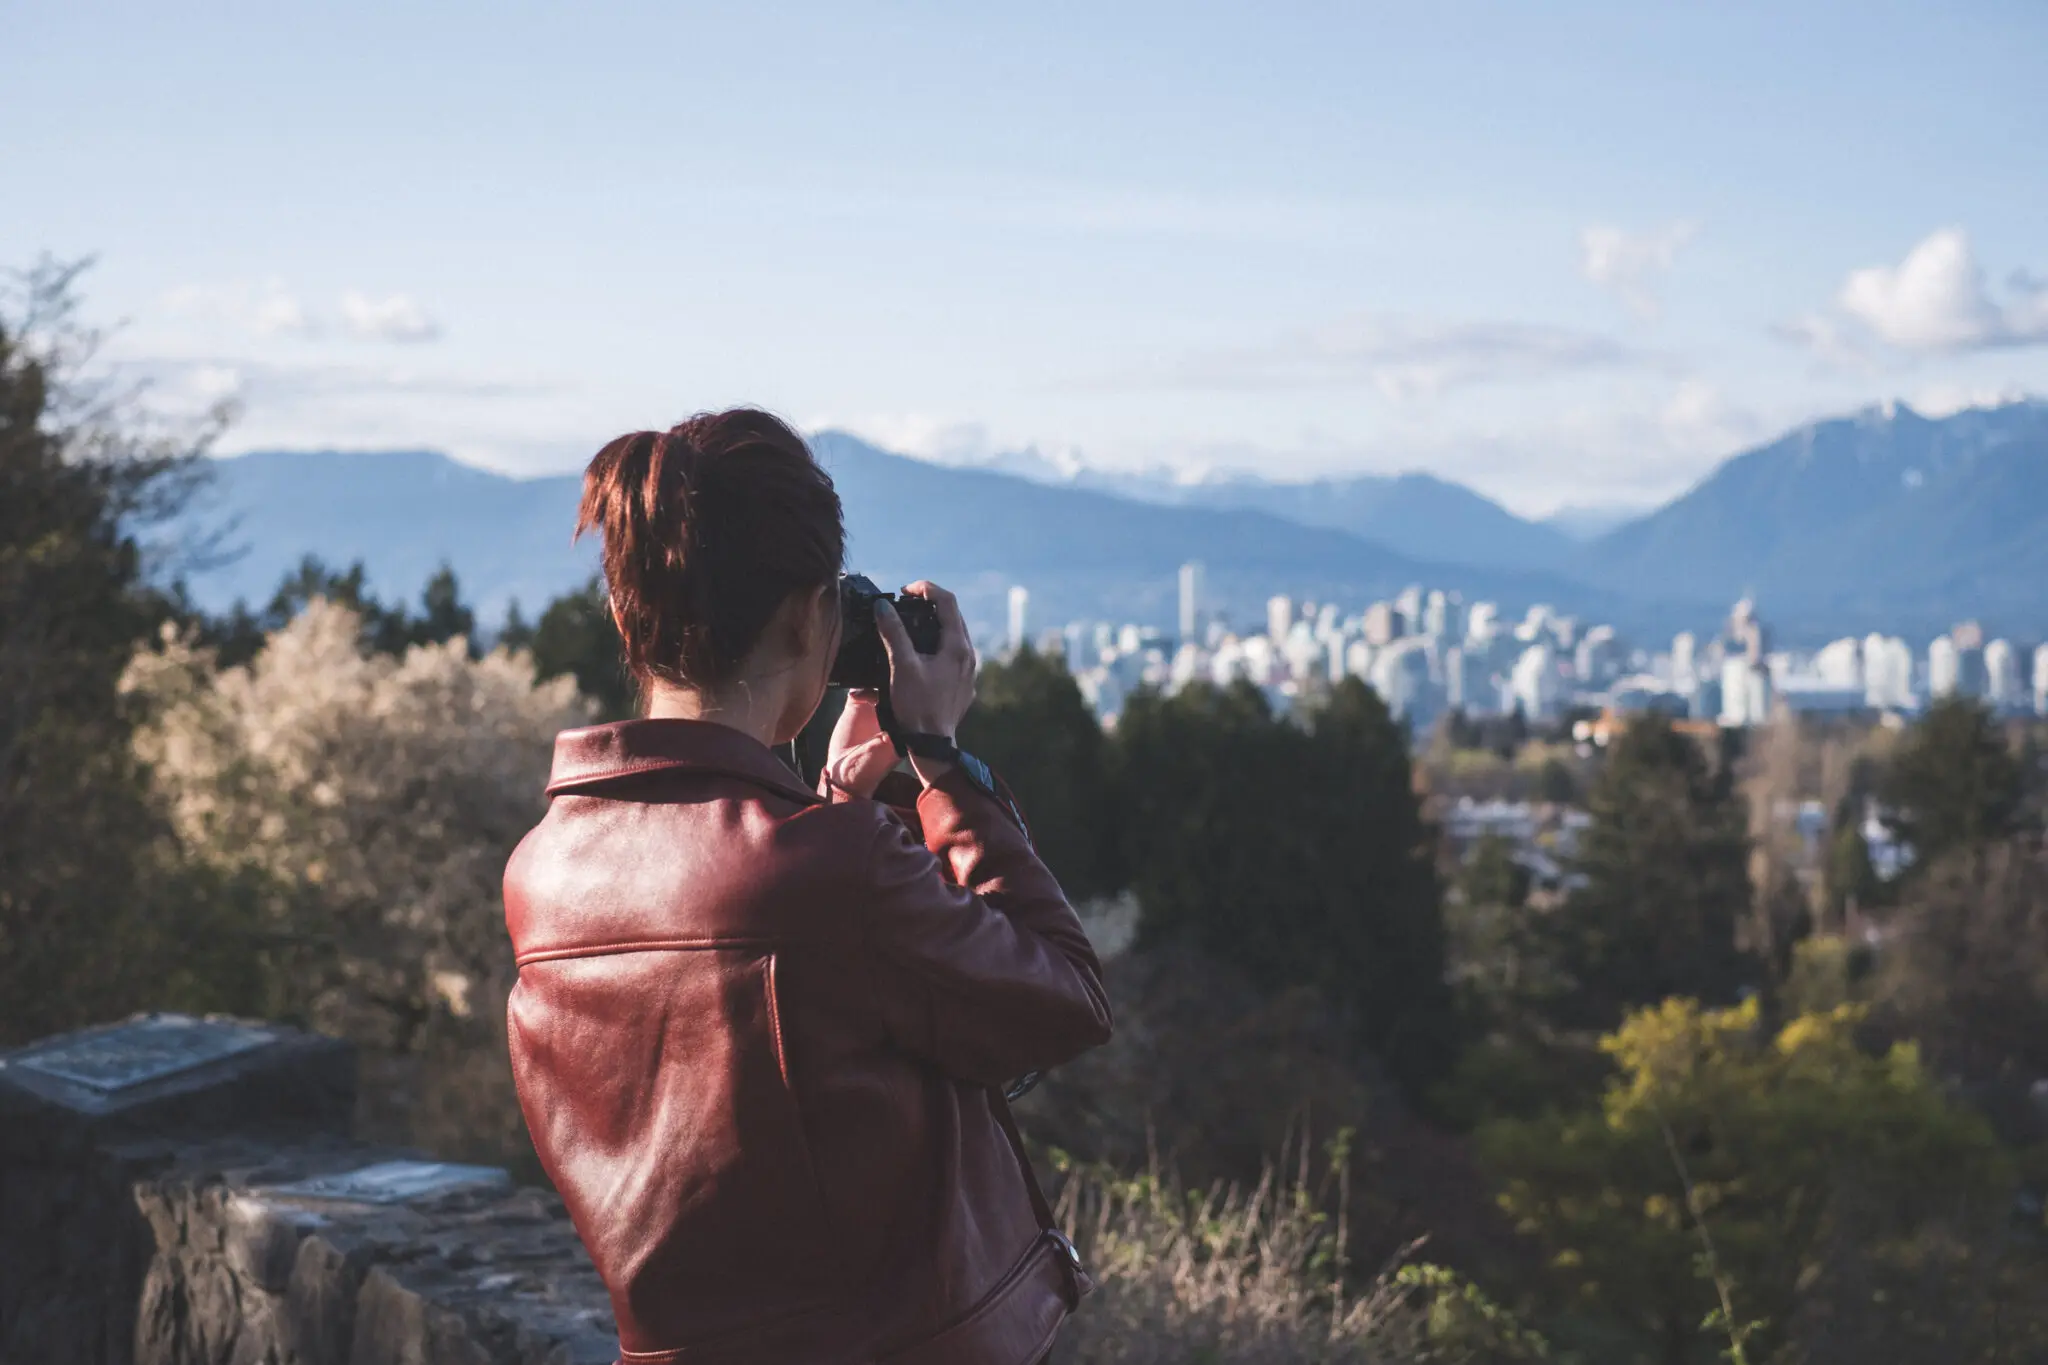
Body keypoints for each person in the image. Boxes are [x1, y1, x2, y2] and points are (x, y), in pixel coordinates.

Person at [502, 408, 1113, 1365]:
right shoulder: (829, 869)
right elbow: (1067, 997)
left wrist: (830, 802)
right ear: (809, 618)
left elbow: (760, 1101)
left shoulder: (542, 871)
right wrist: (942, 764)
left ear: (626, 615)